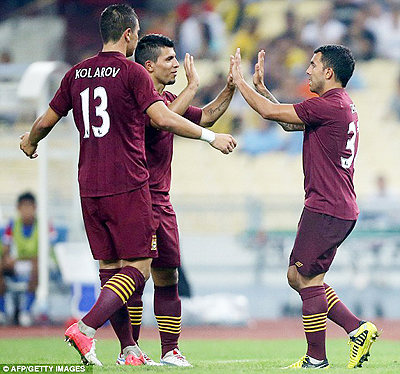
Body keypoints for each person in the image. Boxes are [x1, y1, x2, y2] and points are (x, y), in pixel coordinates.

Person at [19, 4, 236, 367]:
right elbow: (162, 119)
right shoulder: (132, 73)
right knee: (139, 266)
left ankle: (130, 349)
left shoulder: (76, 73)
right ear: (129, 34)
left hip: (89, 184)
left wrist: (31, 141)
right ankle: (86, 328)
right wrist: (209, 137)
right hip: (129, 183)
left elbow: (47, 119)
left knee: (111, 268)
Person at [231, 45, 378, 369]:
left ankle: (317, 358)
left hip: (327, 205)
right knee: (304, 277)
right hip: (335, 205)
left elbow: (272, 115)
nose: (307, 71)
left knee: (301, 276)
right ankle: (356, 329)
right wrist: (263, 90)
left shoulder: (328, 106)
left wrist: (238, 82)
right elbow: (289, 122)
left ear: (329, 72)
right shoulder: (338, 106)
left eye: (312, 65)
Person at [111, 33, 236, 367]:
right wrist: (192, 87)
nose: (177, 64)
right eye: (169, 59)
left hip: (161, 200)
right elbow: (159, 122)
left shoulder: (167, 99)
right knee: (136, 276)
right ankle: (130, 349)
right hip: (138, 198)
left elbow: (205, 117)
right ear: (148, 64)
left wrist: (231, 88)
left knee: (168, 275)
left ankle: (169, 351)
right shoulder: (134, 97)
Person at [0, 192, 56, 326]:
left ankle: (26, 311)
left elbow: (47, 251)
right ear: (18, 208)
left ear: (35, 208)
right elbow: (6, 248)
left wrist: (20, 259)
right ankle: (2, 311)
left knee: (37, 265)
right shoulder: (12, 224)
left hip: (43, 264)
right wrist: (6, 259)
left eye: (29, 207)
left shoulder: (44, 225)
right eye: (23, 207)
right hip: (20, 263)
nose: (26, 211)